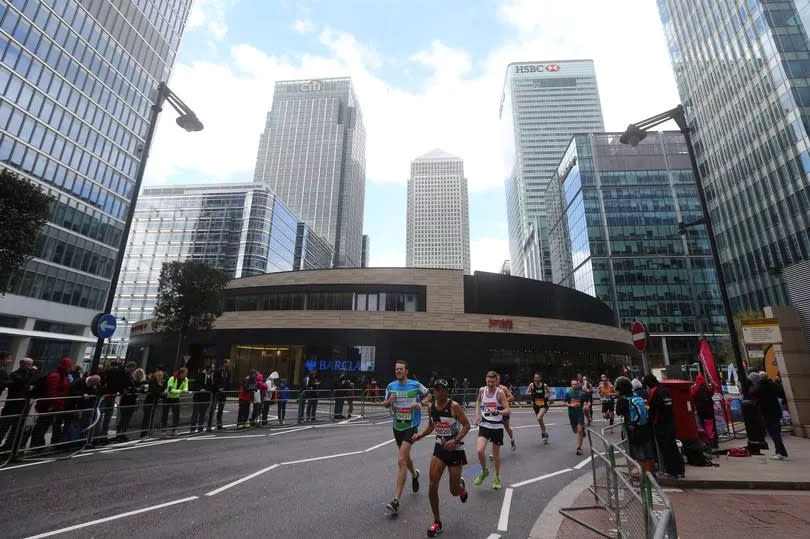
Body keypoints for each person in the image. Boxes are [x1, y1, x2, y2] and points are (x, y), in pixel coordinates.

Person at [411, 379, 470, 537]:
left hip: (456, 449)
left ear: (447, 391)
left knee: (453, 491)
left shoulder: (454, 406)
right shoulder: (431, 407)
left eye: (442, 389)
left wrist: (455, 440)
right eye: (437, 389)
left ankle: (461, 487)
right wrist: (420, 435)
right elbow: (432, 425)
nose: (439, 392)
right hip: (440, 448)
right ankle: (437, 522)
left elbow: (466, 425)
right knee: (432, 484)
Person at [383, 360, 431, 515]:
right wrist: (388, 402)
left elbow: (429, 394)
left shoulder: (415, 385)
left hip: (411, 426)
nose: (398, 371)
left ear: (406, 371)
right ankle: (415, 474)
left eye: (401, 369)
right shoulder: (391, 386)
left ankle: (396, 501)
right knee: (406, 458)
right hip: (397, 426)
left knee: (401, 460)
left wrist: (421, 403)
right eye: (396, 369)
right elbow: (384, 403)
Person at [474, 371, 511, 489]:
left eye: (493, 382)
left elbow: (507, 410)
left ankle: (497, 476)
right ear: (486, 380)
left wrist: (498, 412)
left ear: (496, 381)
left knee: (495, 455)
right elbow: (478, 401)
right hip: (485, 425)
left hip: (497, 427)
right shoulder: (481, 390)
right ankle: (484, 471)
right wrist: (478, 415)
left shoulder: (499, 393)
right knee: (480, 451)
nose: (490, 384)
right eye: (488, 381)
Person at [644, 374, 684, 477]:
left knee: (666, 449)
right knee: (673, 446)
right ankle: (680, 470)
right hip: (670, 421)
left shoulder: (654, 391)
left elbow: (650, 407)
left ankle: (671, 471)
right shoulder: (665, 390)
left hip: (661, 424)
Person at [31, 357, 74, 447]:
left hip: (57, 405)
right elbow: (52, 392)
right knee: (43, 425)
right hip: (51, 406)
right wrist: (53, 405)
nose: (71, 368)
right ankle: (37, 444)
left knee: (49, 425)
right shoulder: (56, 376)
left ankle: (44, 443)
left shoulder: (63, 376)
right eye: (70, 366)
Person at [0, 357, 36, 450]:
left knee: (17, 428)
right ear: (21, 364)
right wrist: (31, 376)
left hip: (23, 406)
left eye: (30, 365)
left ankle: (8, 447)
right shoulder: (15, 374)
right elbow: (22, 382)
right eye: (27, 364)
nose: (29, 367)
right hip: (11, 406)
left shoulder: (30, 375)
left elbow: (33, 384)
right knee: (3, 427)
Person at [753, 372, 789, 460]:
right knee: (776, 432)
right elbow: (781, 393)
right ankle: (779, 451)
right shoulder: (773, 385)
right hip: (776, 411)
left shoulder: (760, 387)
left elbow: (754, 394)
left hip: (768, 413)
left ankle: (781, 453)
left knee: (774, 433)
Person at [115, 362, 141, 440]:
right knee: (123, 419)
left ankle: (122, 434)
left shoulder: (130, 377)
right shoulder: (125, 376)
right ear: (130, 367)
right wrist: (135, 390)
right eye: (133, 369)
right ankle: (119, 434)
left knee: (126, 419)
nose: (133, 371)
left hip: (130, 401)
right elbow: (126, 388)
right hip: (126, 401)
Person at [691, 374, 715, 447]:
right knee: (710, 427)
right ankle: (713, 442)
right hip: (710, 411)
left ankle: (705, 443)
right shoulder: (707, 388)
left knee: (701, 427)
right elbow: (712, 392)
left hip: (700, 411)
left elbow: (691, 397)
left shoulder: (696, 389)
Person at [162, 368, 189, 435]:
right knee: (165, 414)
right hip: (167, 398)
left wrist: (181, 391)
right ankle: (163, 431)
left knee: (176, 414)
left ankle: (174, 430)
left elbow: (186, 388)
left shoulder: (185, 379)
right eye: (185, 373)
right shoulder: (172, 378)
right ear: (181, 373)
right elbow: (170, 389)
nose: (186, 374)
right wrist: (180, 391)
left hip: (176, 398)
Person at [526, 372, 551, 443]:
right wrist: (532, 393)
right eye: (534, 378)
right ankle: (544, 433)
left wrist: (547, 396)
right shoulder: (531, 385)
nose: (535, 379)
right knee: (540, 420)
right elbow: (526, 393)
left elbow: (549, 392)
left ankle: (543, 434)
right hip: (536, 405)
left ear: (540, 378)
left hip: (543, 404)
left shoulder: (544, 385)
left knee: (539, 417)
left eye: (537, 378)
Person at [141, 368, 165, 437]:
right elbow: (154, 391)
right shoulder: (153, 381)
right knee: (147, 418)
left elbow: (159, 391)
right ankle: (144, 433)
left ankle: (148, 432)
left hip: (154, 402)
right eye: (161, 376)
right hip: (149, 402)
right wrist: (161, 394)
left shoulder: (158, 382)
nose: (162, 378)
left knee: (151, 418)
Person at [565, 379, 587, 456]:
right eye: (573, 384)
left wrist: (585, 406)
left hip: (580, 414)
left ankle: (579, 448)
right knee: (575, 431)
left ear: (578, 385)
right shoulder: (568, 393)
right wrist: (571, 405)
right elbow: (564, 402)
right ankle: (582, 429)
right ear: (571, 385)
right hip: (572, 414)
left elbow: (585, 402)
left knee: (579, 431)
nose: (574, 385)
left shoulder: (582, 393)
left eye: (575, 384)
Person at [191, 366, 215, 433]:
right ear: (207, 370)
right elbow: (196, 384)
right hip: (198, 397)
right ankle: (193, 428)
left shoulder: (211, 378)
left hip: (206, 398)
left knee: (202, 413)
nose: (211, 373)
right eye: (210, 371)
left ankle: (200, 428)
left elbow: (212, 386)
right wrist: (200, 389)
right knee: (195, 413)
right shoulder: (201, 375)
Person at [212, 359, 232, 430]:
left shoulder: (227, 372)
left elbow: (227, 382)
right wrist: (218, 388)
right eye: (228, 363)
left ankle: (219, 425)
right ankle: (209, 425)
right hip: (217, 392)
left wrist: (227, 390)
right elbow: (214, 380)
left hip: (224, 393)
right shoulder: (219, 370)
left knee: (221, 409)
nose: (230, 364)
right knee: (213, 409)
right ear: (225, 363)